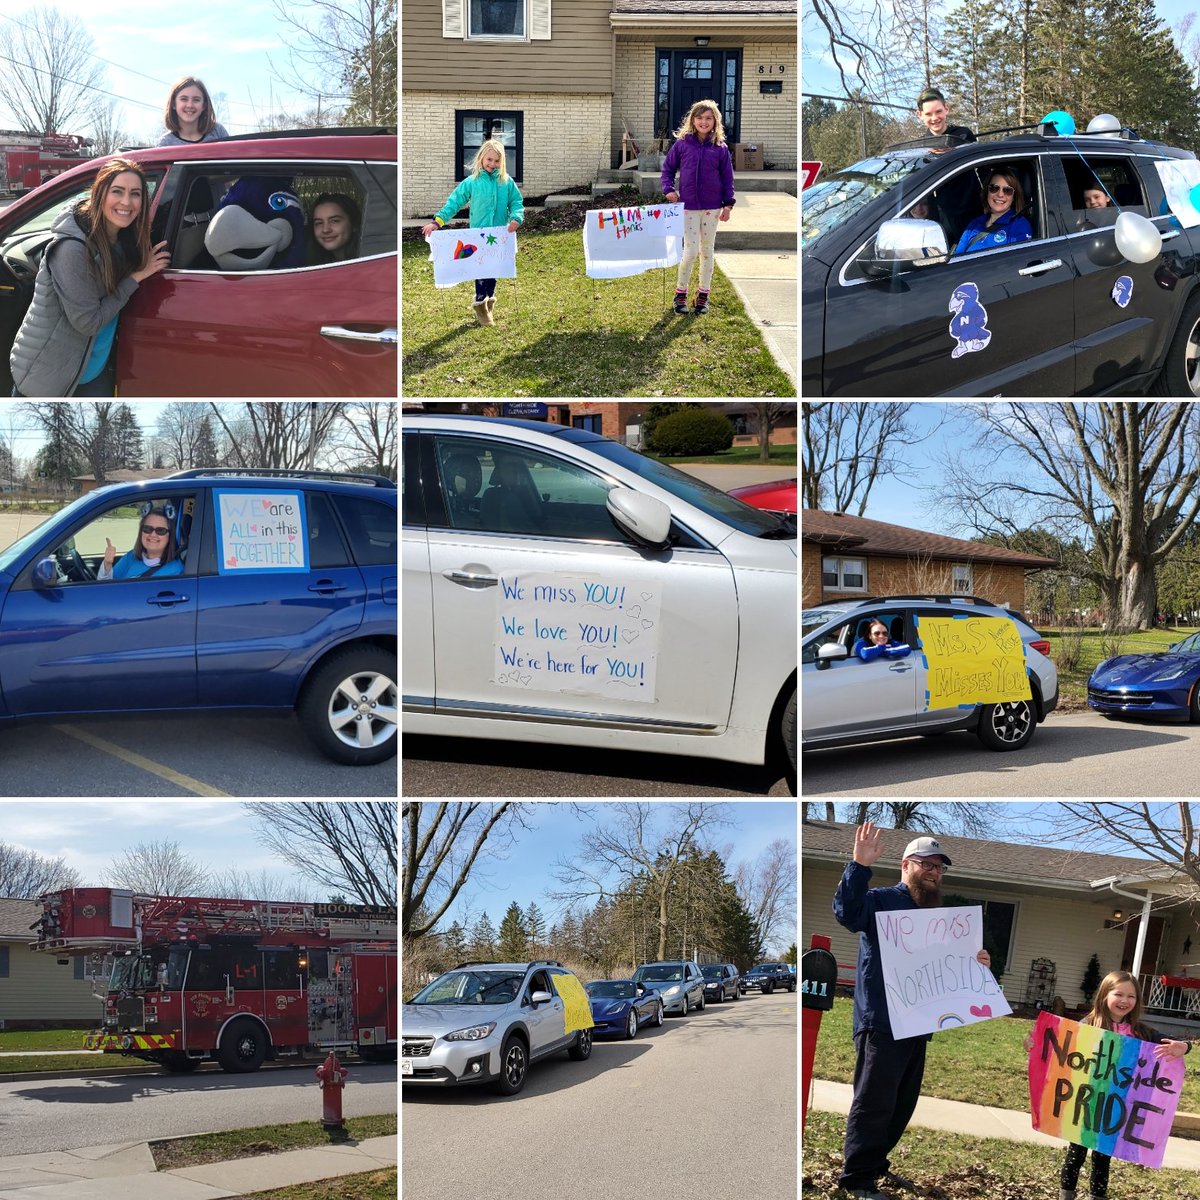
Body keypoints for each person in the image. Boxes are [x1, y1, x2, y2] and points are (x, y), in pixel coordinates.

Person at [834, 822, 993, 1200]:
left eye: (939, 867)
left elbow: (947, 968)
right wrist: (859, 865)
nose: (934, 872)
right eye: (926, 864)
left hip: (918, 1024)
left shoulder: (940, 916)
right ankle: (856, 1178)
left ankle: (875, 1164)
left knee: (901, 1104)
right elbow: (847, 912)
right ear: (906, 865)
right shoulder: (882, 901)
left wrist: (978, 962)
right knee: (874, 1103)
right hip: (882, 1022)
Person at [9, 159, 170, 397]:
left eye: (135, 194)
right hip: (49, 377)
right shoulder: (71, 250)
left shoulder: (124, 241)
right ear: (100, 194)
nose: (126, 202)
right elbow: (88, 323)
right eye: (117, 191)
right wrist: (136, 278)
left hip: (94, 368)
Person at [1024, 970, 1191, 1200]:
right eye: (1118, 994)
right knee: (1075, 1155)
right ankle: (1065, 1196)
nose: (1124, 1001)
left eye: (1131, 996)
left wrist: (1184, 1046)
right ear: (1104, 995)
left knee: (1102, 1159)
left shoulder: (1140, 1032)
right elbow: (1058, 1047)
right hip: (1084, 1104)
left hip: (1114, 1107)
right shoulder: (1088, 1025)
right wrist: (1035, 1044)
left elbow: (1172, 1044)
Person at [421, 139, 524, 327]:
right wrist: (437, 221)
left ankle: (489, 300)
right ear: (481, 158)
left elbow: (516, 202)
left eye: (497, 161)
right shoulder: (472, 182)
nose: (492, 164)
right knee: (481, 269)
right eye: (489, 159)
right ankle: (480, 303)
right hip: (478, 236)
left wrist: (516, 217)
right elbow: (455, 202)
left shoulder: (506, 182)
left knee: (494, 269)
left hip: (499, 234)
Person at [660, 98, 735, 315]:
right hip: (688, 207)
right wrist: (668, 189)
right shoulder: (682, 144)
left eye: (708, 118)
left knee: (707, 251)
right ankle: (680, 293)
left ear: (715, 121)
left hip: (712, 207)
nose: (704, 122)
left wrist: (728, 204)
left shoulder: (720, 149)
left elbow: (727, 178)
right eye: (700, 118)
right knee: (691, 251)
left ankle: (703, 296)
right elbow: (667, 170)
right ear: (692, 120)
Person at [953, 169, 1033, 255]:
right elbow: (957, 257)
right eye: (994, 188)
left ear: (1014, 196)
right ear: (987, 191)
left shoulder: (1020, 225)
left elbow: (1016, 262)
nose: (1000, 195)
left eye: (1007, 190)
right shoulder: (974, 224)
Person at [98, 508, 184, 580]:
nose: (153, 535)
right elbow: (105, 589)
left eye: (160, 530)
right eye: (147, 529)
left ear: (169, 536)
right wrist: (107, 565)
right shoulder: (131, 557)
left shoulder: (176, 570)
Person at [158, 77, 229, 146]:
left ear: (204, 105)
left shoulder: (218, 132)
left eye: (196, 100)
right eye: (184, 99)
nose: (190, 105)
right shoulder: (166, 143)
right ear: (173, 104)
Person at [306, 192, 361, 264]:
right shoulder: (312, 264)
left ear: (354, 224)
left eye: (335, 221)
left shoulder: (369, 261)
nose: (325, 230)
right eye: (319, 223)